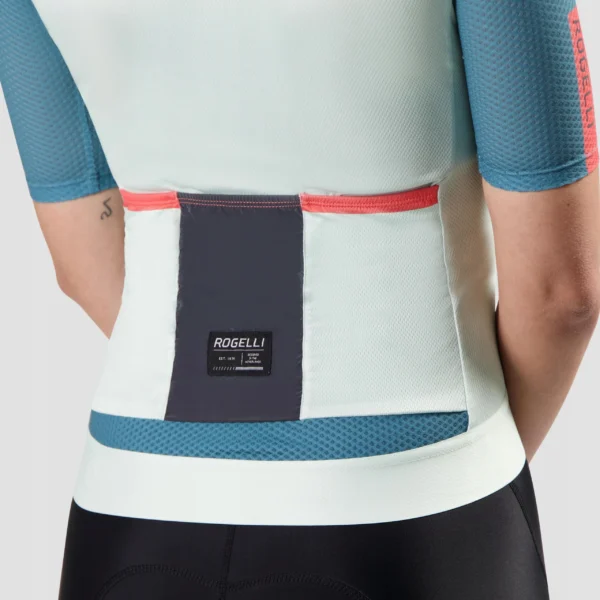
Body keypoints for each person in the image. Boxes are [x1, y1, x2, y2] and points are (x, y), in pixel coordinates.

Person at [1, 0, 598, 598]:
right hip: (413, 505)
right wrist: (475, 460)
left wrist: (225, 385)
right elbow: (562, 293)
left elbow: (84, 259)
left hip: (130, 500)